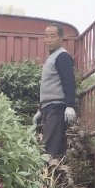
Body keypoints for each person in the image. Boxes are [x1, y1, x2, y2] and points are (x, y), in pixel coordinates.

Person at [33, 24, 76, 158]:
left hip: (56, 108)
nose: (48, 40)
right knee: (55, 146)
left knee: (49, 148)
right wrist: (40, 110)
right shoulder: (51, 59)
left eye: (52, 36)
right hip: (48, 108)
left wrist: (70, 106)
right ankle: (56, 175)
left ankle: (48, 176)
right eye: (46, 36)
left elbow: (69, 82)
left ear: (61, 38)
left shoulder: (62, 57)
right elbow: (48, 87)